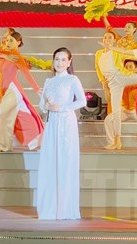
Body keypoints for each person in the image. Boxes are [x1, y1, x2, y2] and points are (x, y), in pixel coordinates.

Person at [36, 47, 84, 220]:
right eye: (57, 59)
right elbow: (42, 105)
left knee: (65, 162)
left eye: (64, 60)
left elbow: (82, 101)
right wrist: (46, 105)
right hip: (51, 124)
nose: (60, 63)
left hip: (66, 124)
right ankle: (50, 208)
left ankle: (65, 209)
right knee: (50, 162)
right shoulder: (48, 81)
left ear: (69, 62)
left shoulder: (72, 79)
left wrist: (62, 107)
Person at [0, 31, 43, 152]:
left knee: (0, 116)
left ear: (18, 42)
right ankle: (35, 140)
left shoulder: (17, 57)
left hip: (13, 90)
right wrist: (5, 56)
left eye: (11, 40)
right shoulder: (6, 54)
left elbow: (27, 75)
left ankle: (0, 146)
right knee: (21, 115)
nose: (8, 42)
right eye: (7, 40)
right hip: (6, 91)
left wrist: (37, 89)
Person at [96, 31, 137, 150]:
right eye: (105, 37)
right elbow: (98, 69)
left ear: (114, 40)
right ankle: (116, 142)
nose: (107, 39)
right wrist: (104, 84)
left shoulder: (116, 51)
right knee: (115, 112)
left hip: (121, 76)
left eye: (110, 38)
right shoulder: (98, 54)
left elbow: (132, 56)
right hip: (112, 82)